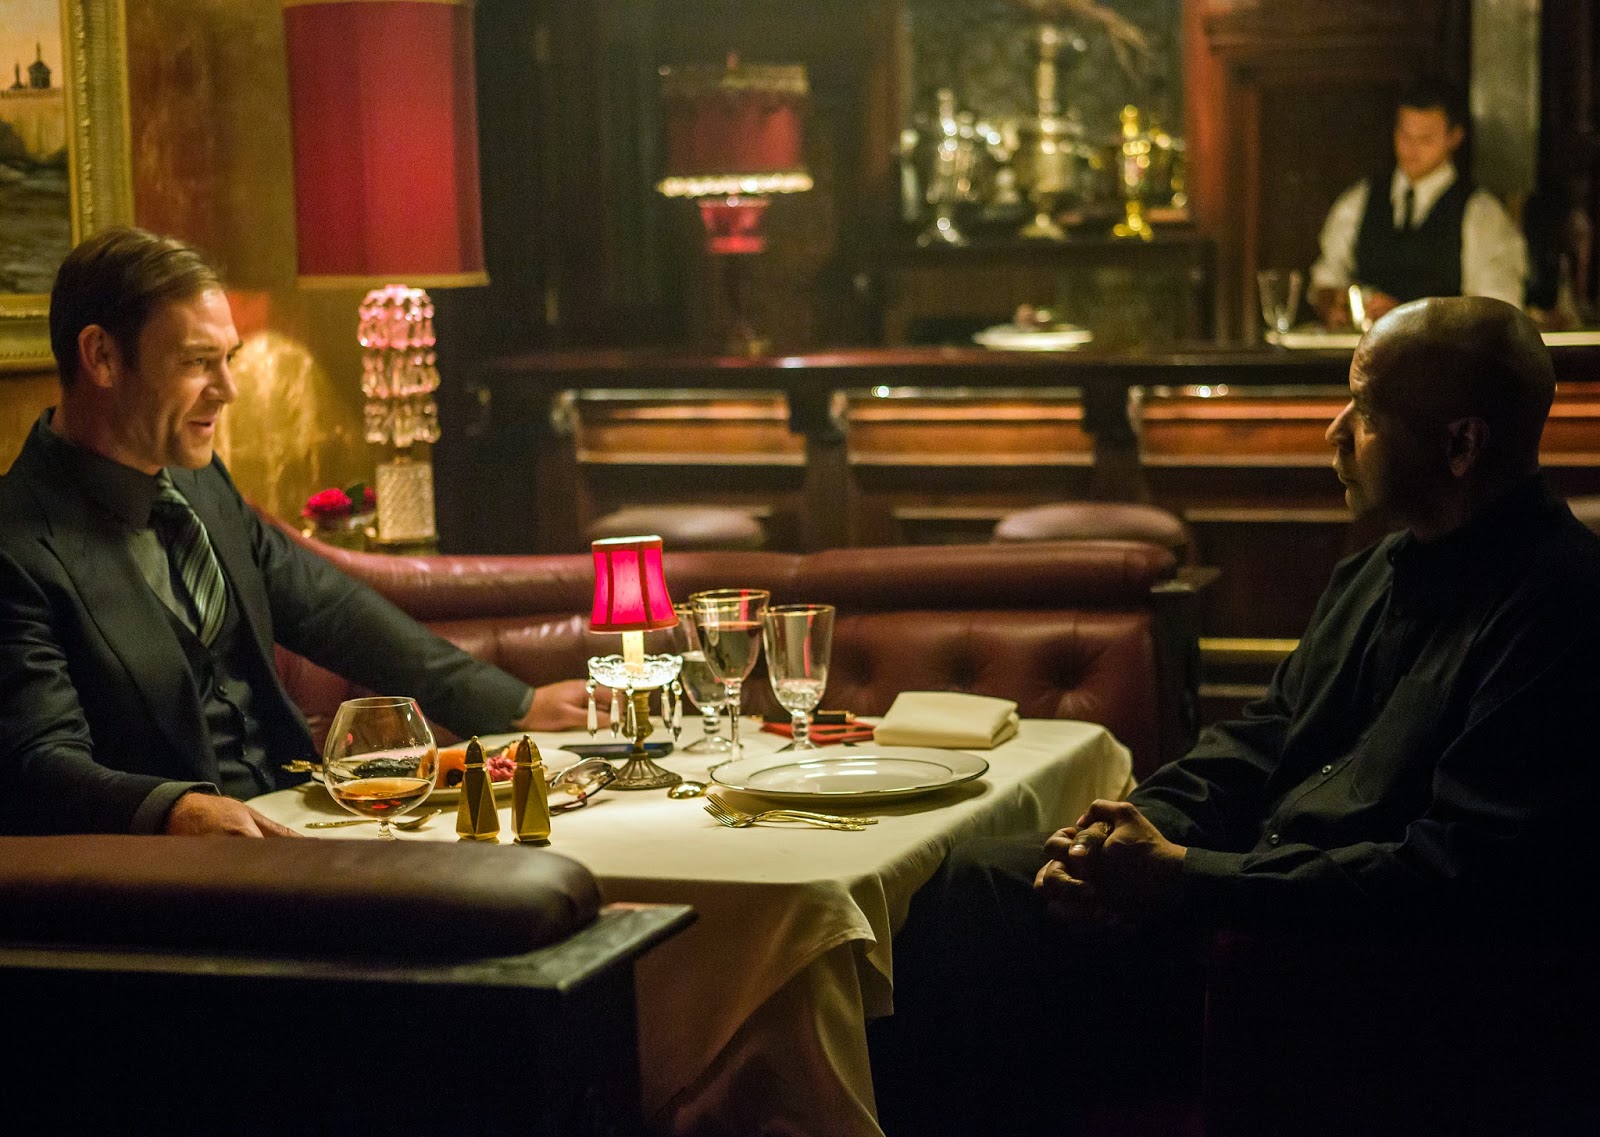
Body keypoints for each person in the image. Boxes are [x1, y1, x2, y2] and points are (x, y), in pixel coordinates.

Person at [869, 295, 1600, 1134]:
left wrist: (1185, 876)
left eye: (1363, 410)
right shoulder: (1372, 574)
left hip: (1347, 976)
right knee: (972, 878)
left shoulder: (1562, 606)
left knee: (982, 928)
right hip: (1249, 901)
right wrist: (1125, 835)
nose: (1333, 431)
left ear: (1462, 444)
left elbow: (1449, 876)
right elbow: (1259, 742)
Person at [0, 228, 597, 838]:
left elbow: (331, 609)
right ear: (101, 356)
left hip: (303, 822)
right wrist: (174, 811)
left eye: (228, 359)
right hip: (173, 874)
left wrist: (517, 704)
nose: (228, 390)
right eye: (197, 363)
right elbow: (37, 767)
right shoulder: (16, 544)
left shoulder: (199, 483)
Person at [1310, 79, 1527, 326]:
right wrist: (1334, 303)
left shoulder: (1482, 213)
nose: (1410, 148)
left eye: (1425, 139)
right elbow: (1326, 277)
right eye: (1404, 135)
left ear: (1454, 137)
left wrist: (1411, 318)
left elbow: (1498, 308)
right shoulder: (1360, 199)